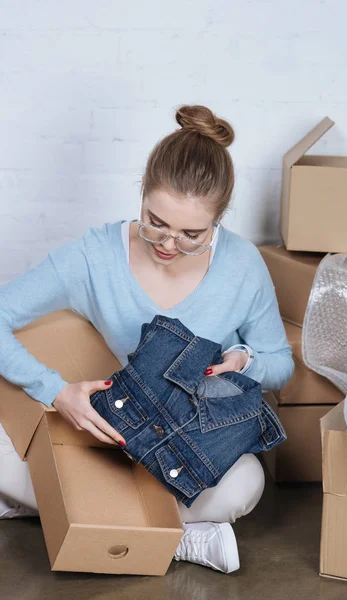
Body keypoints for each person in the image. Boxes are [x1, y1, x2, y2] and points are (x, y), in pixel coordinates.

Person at [0, 104, 294, 574]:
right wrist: (55, 391)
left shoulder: (242, 266)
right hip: (102, 432)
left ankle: (67, 509)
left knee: (246, 482)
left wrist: (244, 359)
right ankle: (171, 534)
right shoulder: (96, 255)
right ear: (141, 194)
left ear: (219, 220)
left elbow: (281, 362)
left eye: (192, 234)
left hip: (185, 445)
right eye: (155, 221)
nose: (168, 245)